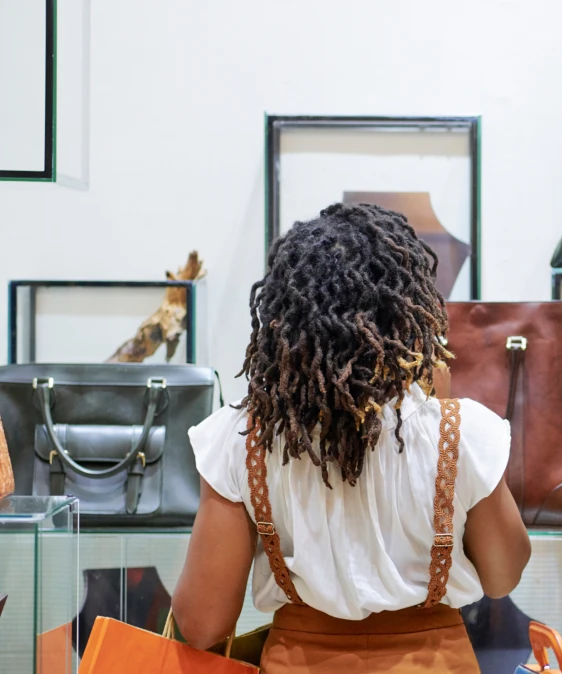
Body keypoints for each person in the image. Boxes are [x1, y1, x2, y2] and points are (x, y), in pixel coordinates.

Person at [172, 203, 530, 672]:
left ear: (283, 317)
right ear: (407, 313)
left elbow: (202, 624)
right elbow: (504, 575)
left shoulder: (242, 438)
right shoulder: (458, 433)